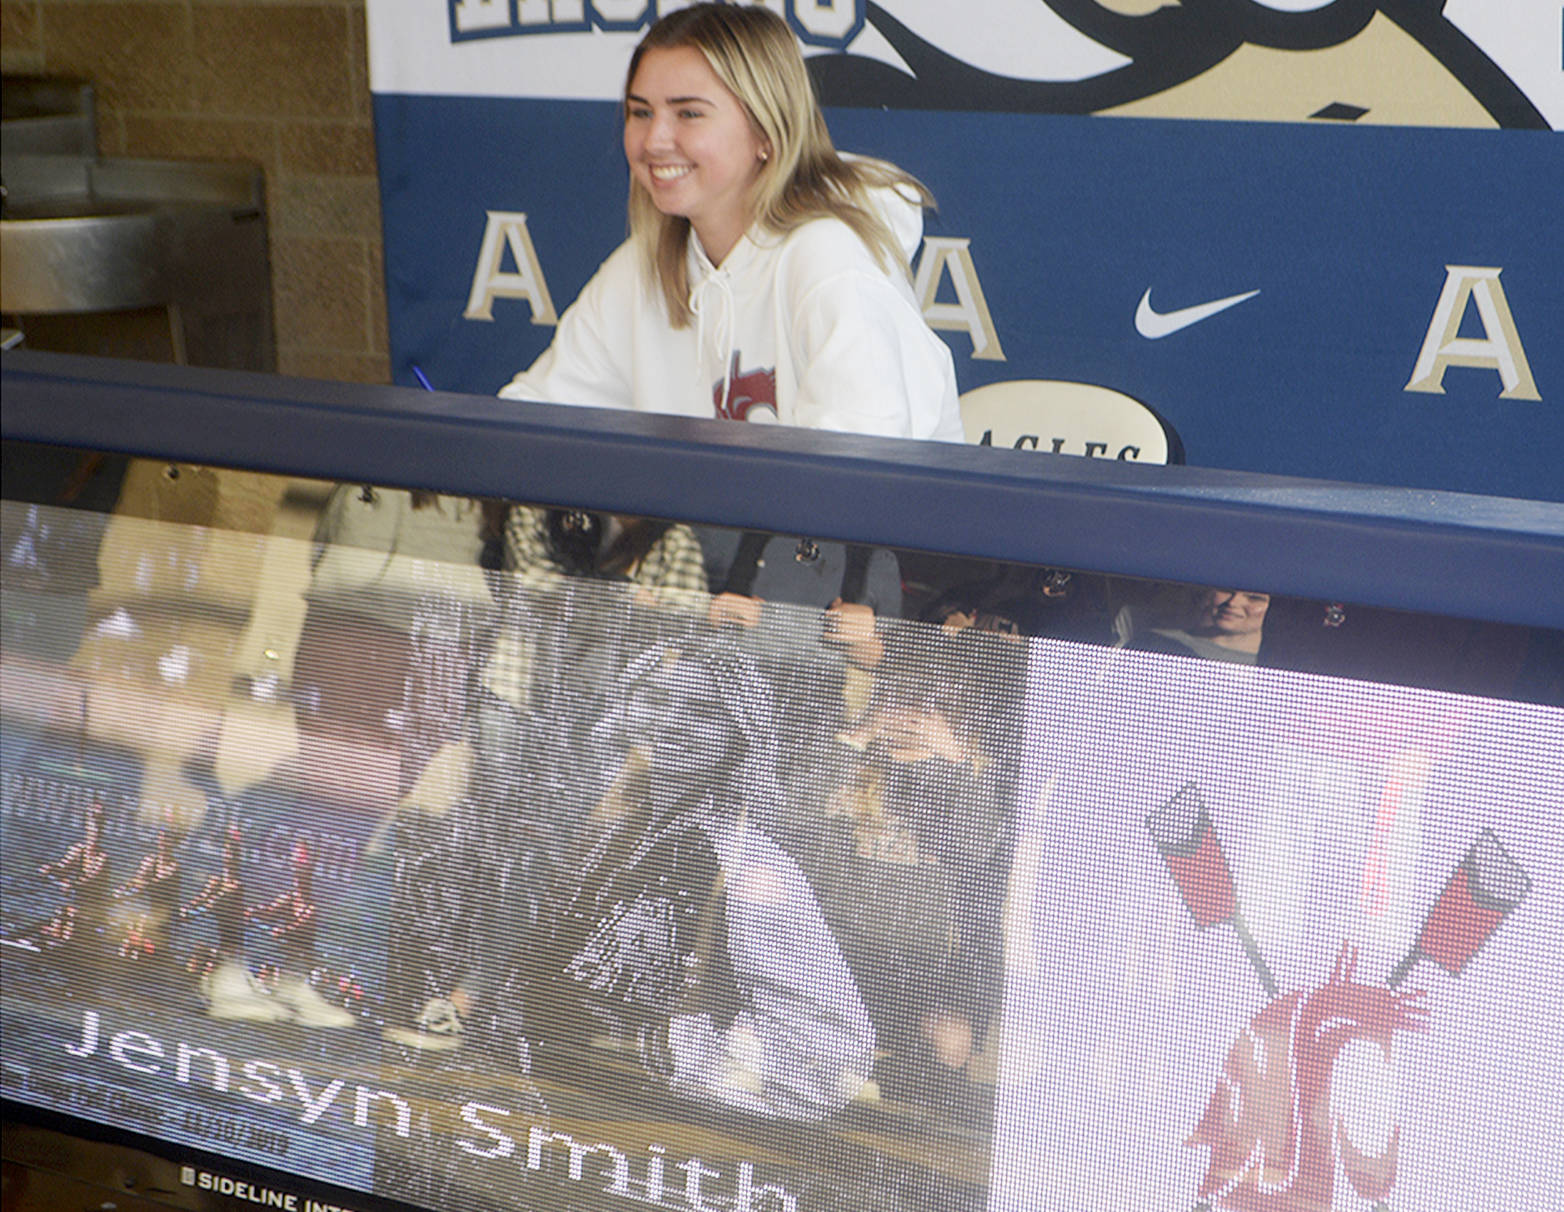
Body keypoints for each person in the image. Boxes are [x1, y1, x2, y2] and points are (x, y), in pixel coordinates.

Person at [498, 2, 963, 441]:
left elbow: (861, 481)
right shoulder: (643, 264)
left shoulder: (831, 261)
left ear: (766, 130)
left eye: (689, 114)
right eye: (641, 112)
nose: (655, 139)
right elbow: (530, 421)